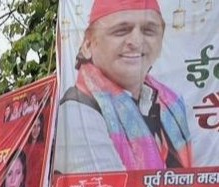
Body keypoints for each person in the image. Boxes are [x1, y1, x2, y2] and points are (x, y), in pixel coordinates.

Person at [53, 0, 191, 174]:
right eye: (121, 31)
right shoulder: (77, 110)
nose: (136, 41)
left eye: (148, 30)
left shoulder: (171, 104)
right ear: (88, 45)